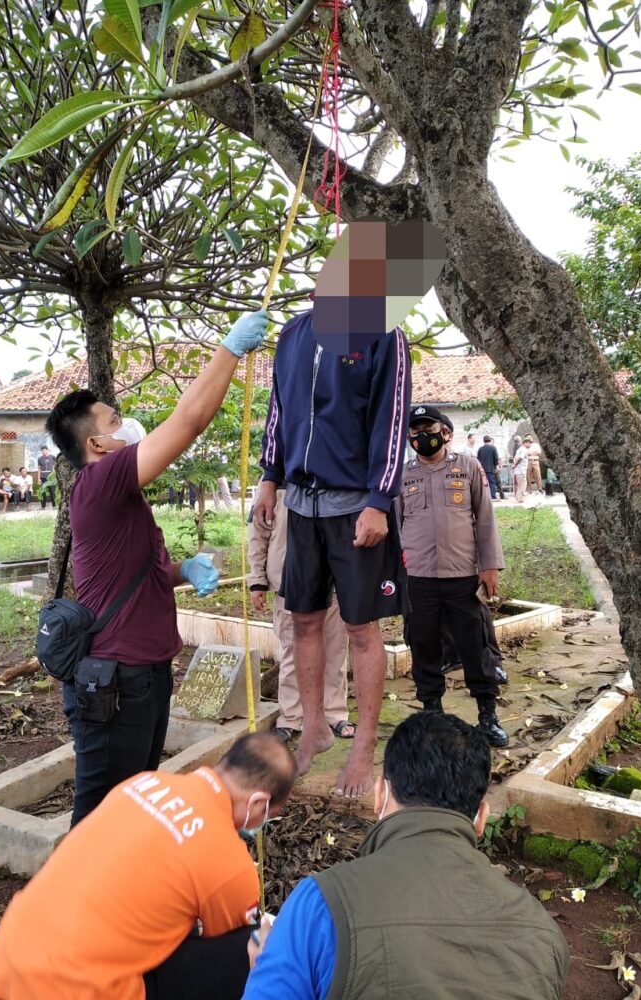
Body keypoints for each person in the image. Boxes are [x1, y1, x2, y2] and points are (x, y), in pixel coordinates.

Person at [44, 309, 266, 827]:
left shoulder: (123, 499)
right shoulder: (103, 480)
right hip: (116, 681)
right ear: (96, 444)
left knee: (133, 800)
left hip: (143, 674)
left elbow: (142, 572)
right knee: (100, 815)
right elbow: (188, 421)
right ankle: (79, 904)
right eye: (116, 422)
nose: (130, 427)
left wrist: (184, 570)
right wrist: (228, 350)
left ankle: (124, 901)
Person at [244, 712, 570, 1000]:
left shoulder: (321, 903)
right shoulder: (542, 931)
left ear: (380, 795)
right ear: (481, 818)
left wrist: (266, 966)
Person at [0, 732, 297, 1000]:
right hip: (81, 990)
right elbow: (233, 942)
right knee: (259, 946)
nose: (260, 825)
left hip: (7, 968)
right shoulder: (230, 863)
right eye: (266, 817)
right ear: (258, 803)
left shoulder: (144, 783)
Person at [255, 304, 410, 799]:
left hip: (355, 505)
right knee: (302, 617)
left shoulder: (383, 331)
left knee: (361, 627)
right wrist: (269, 475)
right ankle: (314, 728)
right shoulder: (294, 332)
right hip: (301, 505)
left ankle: (363, 743)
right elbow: (279, 406)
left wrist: (379, 500)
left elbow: (393, 415)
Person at [400, 406, 508, 746]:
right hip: (417, 577)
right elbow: (394, 527)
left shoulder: (468, 467)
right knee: (424, 646)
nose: (422, 436)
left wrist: (489, 566)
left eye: (428, 428)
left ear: (445, 433)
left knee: (475, 647)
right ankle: (433, 714)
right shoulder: (403, 476)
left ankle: (487, 717)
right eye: (414, 432)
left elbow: (485, 519)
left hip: (462, 575)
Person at [248, 486, 353, 743]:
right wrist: (257, 580)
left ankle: (333, 713)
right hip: (289, 582)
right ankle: (291, 717)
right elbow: (258, 533)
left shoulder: (331, 471)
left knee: (335, 650)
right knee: (292, 651)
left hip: (334, 579)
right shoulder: (273, 482)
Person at [476, 435, 501, 501]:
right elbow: (496, 458)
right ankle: (492, 496)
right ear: (490, 440)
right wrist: (496, 465)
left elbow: (478, 459)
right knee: (491, 482)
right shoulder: (493, 448)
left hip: (482, 469)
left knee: (483, 483)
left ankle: (483, 497)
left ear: (483, 441)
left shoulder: (480, 449)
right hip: (490, 468)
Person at [511, 435, 528, 501]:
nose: (529, 444)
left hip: (517, 470)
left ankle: (517, 497)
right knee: (522, 484)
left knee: (519, 484)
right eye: (528, 442)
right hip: (521, 470)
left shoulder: (517, 449)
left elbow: (515, 458)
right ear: (524, 442)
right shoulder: (523, 449)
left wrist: (514, 465)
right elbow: (520, 458)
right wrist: (515, 465)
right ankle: (520, 498)